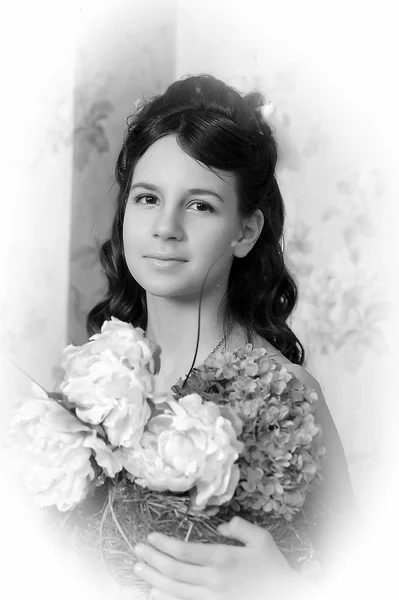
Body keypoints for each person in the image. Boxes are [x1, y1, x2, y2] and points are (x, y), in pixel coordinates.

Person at [87, 74, 356, 599]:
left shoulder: (290, 393)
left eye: (200, 205)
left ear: (245, 231)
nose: (165, 227)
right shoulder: (90, 382)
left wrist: (281, 588)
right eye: (147, 198)